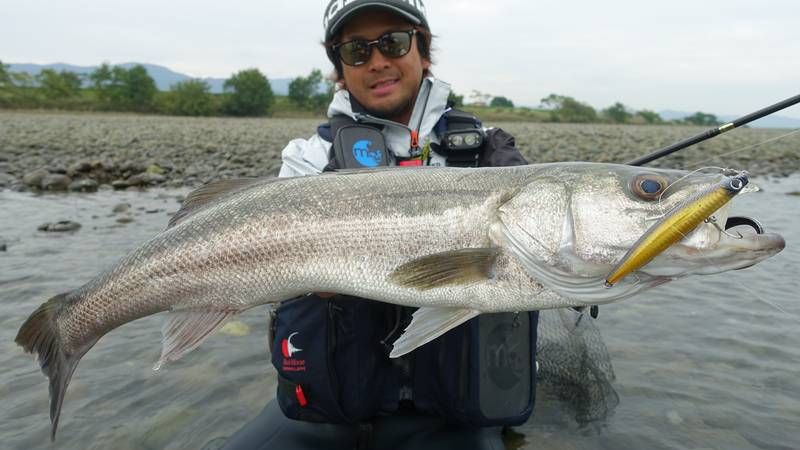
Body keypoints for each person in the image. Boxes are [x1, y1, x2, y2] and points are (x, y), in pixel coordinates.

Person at [221, 1, 539, 449]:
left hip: (453, 420)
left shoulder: (488, 152)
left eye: (393, 41)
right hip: (327, 415)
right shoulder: (309, 157)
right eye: (356, 50)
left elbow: (542, 253)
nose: (378, 61)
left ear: (422, 51)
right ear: (340, 69)